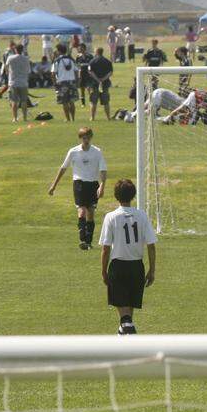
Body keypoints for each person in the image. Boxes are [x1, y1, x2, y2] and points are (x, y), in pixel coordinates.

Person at [98, 179, 157, 335]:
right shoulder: (142, 215)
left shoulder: (111, 217)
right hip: (137, 267)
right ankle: (124, 331)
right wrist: (152, 270)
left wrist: (103, 271)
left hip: (118, 267)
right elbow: (151, 245)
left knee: (124, 313)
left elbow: (105, 248)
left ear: (116, 196)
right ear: (133, 195)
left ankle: (127, 330)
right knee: (127, 311)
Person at [48, 126, 108, 250]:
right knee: (82, 211)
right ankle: (82, 239)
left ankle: (88, 241)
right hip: (79, 184)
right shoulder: (73, 151)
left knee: (90, 213)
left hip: (93, 184)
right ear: (80, 138)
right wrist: (54, 185)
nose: (86, 140)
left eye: (88, 138)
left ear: (91, 138)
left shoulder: (97, 152)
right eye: (83, 138)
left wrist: (102, 185)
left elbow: (103, 170)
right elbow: (63, 168)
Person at [3, 44, 32, 123]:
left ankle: (15, 118)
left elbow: (6, 67)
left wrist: (8, 73)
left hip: (13, 82)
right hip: (23, 82)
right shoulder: (26, 59)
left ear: (15, 50)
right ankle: (25, 118)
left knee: (14, 101)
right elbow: (28, 71)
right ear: (22, 50)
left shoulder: (10, 58)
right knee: (24, 101)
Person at [52, 43, 79, 122]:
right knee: (71, 101)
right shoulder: (71, 60)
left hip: (62, 83)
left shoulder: (57, 60)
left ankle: (67, 119)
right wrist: (76, 81)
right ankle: (73, 118)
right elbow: (76, 71)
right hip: (72, 82)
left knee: (64, 102)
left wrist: (55, 84)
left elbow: (53, 73)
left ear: (59, 51)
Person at [87, 47, 114, 121]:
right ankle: (108, 117)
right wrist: (103, 79)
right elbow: (110, 72)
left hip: (94, 84)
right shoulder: (107, 61)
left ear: (96, 52)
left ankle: (92, 117)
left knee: (93, 102)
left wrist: (97, 80)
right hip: (105, 84)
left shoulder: (92, 61)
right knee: (106, 102)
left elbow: (90, 72)